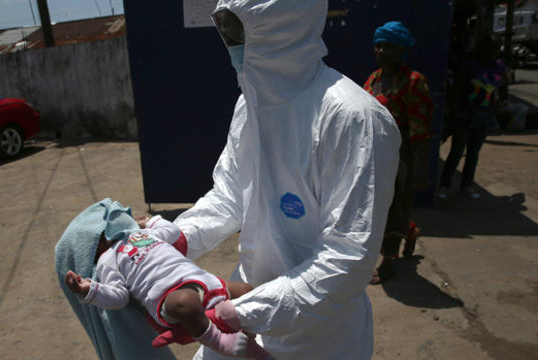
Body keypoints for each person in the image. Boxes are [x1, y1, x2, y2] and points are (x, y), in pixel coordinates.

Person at [169, 1, 402, 359]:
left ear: (283, 26)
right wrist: (168, 240)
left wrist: (238, 313)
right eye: (225, 30)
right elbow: (229, 198)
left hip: (317, 337)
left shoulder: (353, 119)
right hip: (245, 304)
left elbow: (347, 258)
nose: (231, 43)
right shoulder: (251, 106)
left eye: (240, 30)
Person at [63, 206, 272, 359]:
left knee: (244, 289)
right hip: (169, 297)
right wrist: (89, 289)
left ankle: (248, 340)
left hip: (201, 280)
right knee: (185, 303)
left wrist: (152, 222)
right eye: (98, 235)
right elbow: (119, 296)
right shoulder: (108, 260)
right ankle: (219, 342)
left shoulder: (142, 234)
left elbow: (173, 232)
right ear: (92, 247)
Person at [362, 21, 434, 284]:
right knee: (375, 207)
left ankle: (388, 262)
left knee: (395, 208)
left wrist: (421, 168)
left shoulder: (414, 82)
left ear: (401, 49)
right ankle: (410, 231)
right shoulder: (373, 79)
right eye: (378, 45)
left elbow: (422, 131)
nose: (381, 51)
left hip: (401, 156)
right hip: (373, 154)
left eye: (388, 47)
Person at [438, 35, 507, 199]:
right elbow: (456, 92)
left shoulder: (500, 67)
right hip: (465, 116)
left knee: (473, 153)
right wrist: (456, 115)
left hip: (484, 117)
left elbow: (502, 90)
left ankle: (467, 185)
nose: (492, 52)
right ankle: (445, 184)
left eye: (496, 48)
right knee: (456, 152)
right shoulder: (468, 66)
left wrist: (496, 107)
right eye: (489, 47)